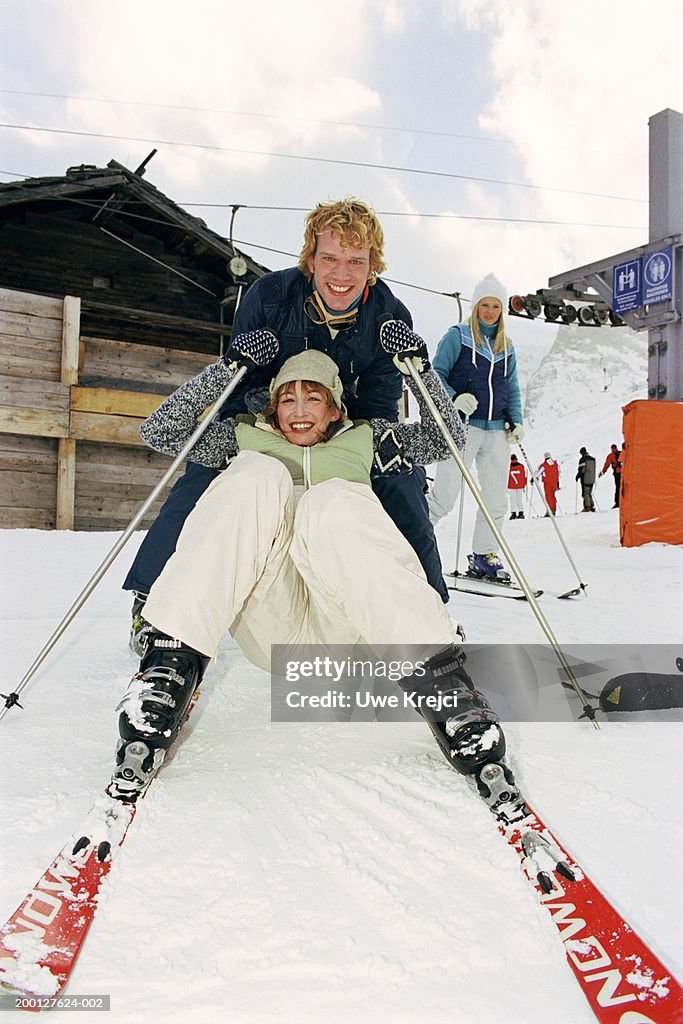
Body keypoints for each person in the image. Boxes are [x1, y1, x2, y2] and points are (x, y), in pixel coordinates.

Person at [108, 329, 515, 815]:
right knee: (256, 476)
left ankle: (444, 685)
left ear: (335, 409)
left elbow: (444, 440)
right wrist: (226, 367)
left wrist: (419, 371)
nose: (299, 409)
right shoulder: (241, 438)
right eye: (288, 398)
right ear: (272, 408)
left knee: (332, 500)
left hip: (348, 623)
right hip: (272, 621)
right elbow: (160, 430)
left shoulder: (370, 441)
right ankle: (169, 664)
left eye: (314, 397)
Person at [123, 198, 448, 653]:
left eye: (356, 261)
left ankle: (431, 605)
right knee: (211, 472)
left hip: (344, 417)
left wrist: (356, 433)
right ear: (310, 259)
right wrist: (274, 419)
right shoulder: (270, 296)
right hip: (264, 407)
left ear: (373, 265)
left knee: (403, 480)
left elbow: (381, 400)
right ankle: (153, 600)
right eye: (330, 258)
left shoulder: (390, 315)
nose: (342, 274)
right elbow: (241, 380)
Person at [426, 273, 524, 582]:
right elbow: (434, 374)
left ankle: (484, 555)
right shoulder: (457, 336)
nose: (490, 311)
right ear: (476, 305)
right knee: (445, 495)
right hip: (463, 426)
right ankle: (411, 543)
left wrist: (516, 420)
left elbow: (513, 387)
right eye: (485, 304)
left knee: (496, 500)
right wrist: (455, 398)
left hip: (496, 430)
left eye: (496, 306)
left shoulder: (506, 346)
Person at [599, 443, 623, 508]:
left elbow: (607, 465)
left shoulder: (610, 456)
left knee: (618, 487)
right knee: (623, 487)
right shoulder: (621, 453)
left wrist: (603, 472)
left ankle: (617, 503)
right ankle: (624, 502)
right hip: (624, 472)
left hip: (617, 473)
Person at [537, 451, 560, 516]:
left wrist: (534, 478)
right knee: (553, 496)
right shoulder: (555, 464)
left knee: (548, 496)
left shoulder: (544, 465)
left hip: (547, 483)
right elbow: (559, 472)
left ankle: (550, 510)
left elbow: (539, 473)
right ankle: (554, 509)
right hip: (554, 482)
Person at [507, 454, 527, 519]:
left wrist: (524, 484)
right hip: (516, 485)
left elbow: (524, 476)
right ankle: (517, 513)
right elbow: (524, 476)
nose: (513, 461)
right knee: (516, 500)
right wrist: (524, 484)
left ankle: (517, 513)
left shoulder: (510, 467)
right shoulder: (520, 466)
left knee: (515, 500)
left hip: (514, 485)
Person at [576, 447, 596, 511]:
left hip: (585, 478)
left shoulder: (583, 459)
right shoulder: (592, 459)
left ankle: (588, 507)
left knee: (586, 493)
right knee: (589, 492)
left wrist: (577, 476)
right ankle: (591, 505)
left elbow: (581, 469)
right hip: (592, 478)